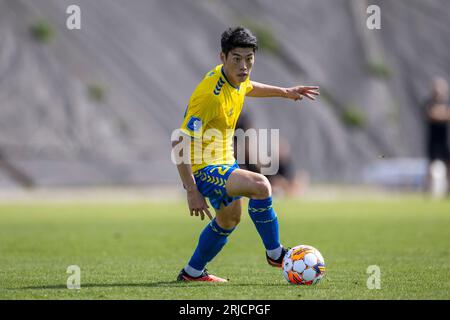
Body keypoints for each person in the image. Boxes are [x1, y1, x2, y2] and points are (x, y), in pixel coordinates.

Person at [171, 27, 319, 282]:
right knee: (261, 185)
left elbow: (249, 87)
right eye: (237, 59)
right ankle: (276, 254)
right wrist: (191, 190)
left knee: (229, 220)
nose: (244, 66)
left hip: (224, 162)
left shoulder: (235, 79)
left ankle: (192, 273)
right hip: (203, 169)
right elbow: (178, 142)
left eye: (249, 59)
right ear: (222, 58)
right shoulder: (209, 96)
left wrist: (285, 92)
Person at [424, 77, 450, 194]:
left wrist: (440, 114)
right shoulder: (429, 103)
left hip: (445, 139)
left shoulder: (447, 103)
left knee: (448, 164)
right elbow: (432, 115)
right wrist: (442, 114)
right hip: (433, 139)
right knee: (431, 164)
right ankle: (428, 189)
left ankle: (447, 190)